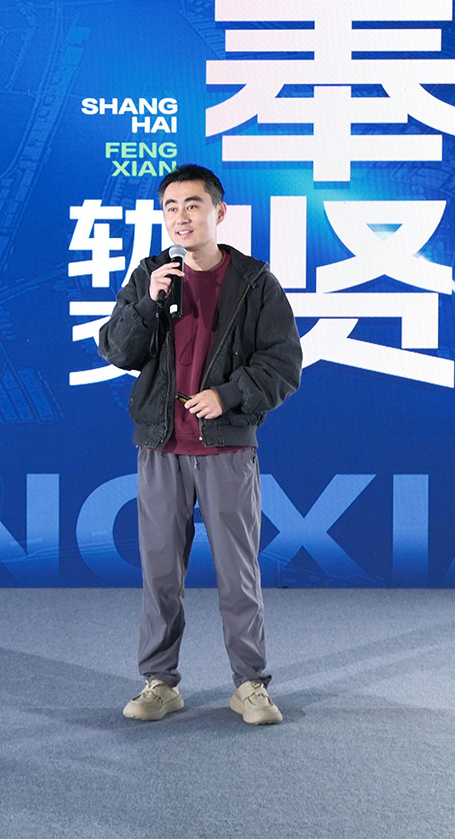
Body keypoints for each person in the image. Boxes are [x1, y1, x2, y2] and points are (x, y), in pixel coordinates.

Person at [98, 164, 302, 725]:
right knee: (161, 575)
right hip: (161, 448)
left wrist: (229, 395)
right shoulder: (151, 275)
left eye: (192, 204)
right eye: (171, 207)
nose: (181, 217)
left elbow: (284, 363)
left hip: (226, 451)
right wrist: (147, 304)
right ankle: (159, 683)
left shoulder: (254, 283)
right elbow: (116, 350)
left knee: (238, 574)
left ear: (219, 211)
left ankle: (250, 685)